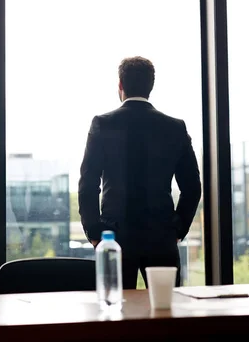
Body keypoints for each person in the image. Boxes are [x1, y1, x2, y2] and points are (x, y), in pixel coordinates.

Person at [78, 56, 201, 288]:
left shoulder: (102, 124)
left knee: (116, 313)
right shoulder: (174, 127)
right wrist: (176, 229)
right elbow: (192, 187)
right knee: (167, 312)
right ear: (150, 86)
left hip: (114, 236)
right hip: (161, 238)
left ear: (120, 85)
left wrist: (95, 233)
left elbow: (88, 184)